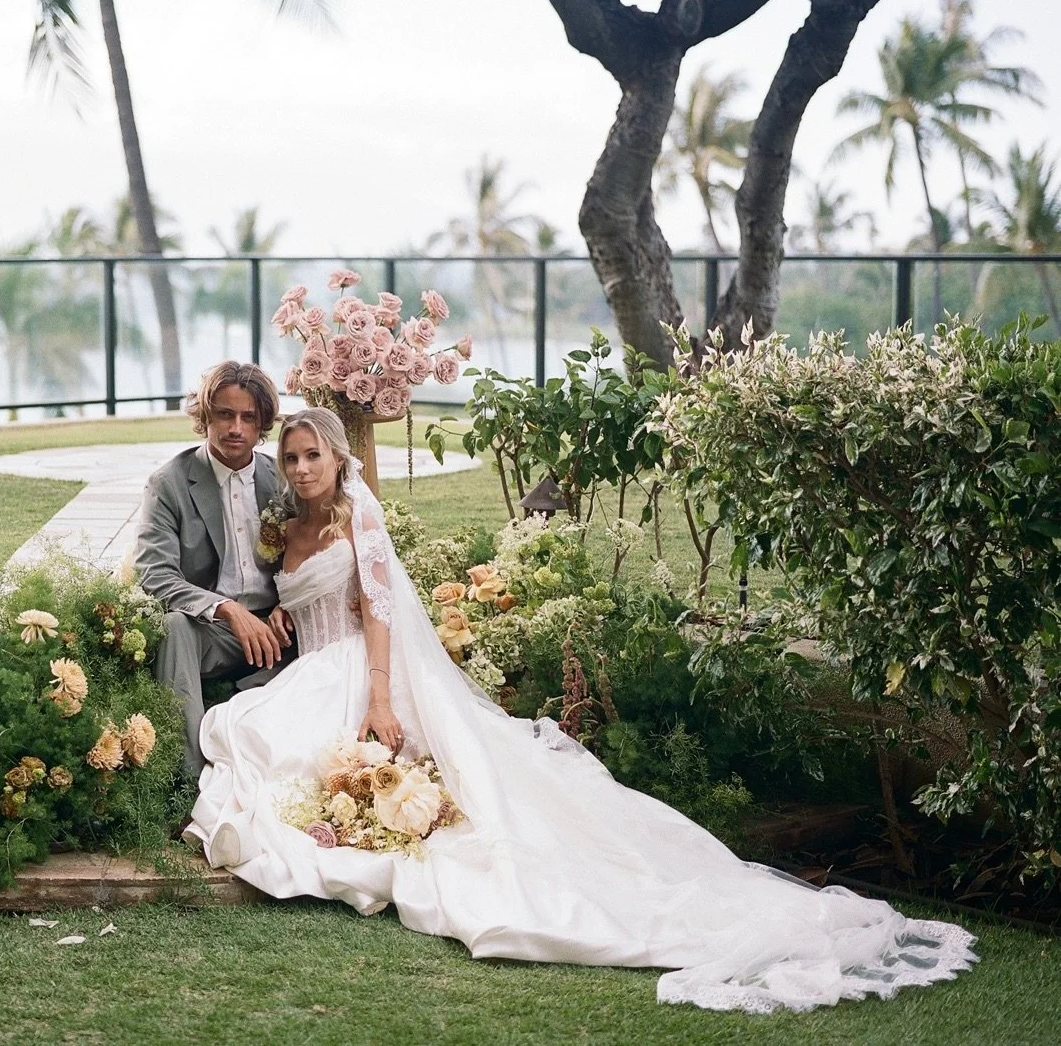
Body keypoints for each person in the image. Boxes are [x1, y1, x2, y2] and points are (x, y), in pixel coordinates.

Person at [185, 407, 977, 1013]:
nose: (301, 467)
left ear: (339, 458)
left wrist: (382, 697)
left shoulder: (361, 515)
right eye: (292, 456)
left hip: (364, 670)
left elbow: (382, 609)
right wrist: (281, 614)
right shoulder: (285, 525)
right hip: (311, 669)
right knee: (246, 736)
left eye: (313, 454)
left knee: (278, 755)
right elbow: (303, 598)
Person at [134, 361, 295, 776]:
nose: (235, 428)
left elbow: (317, 552)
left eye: (248, 417)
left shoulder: (283, 479)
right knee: (173, 626)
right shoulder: (169, 483)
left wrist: (290, 604)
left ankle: (251, 714)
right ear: (205, 416)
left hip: (279, 629)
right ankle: (188, 776)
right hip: (212, 630)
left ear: (262, 425)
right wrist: (227, 609)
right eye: (225, 414)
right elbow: (154, 573)